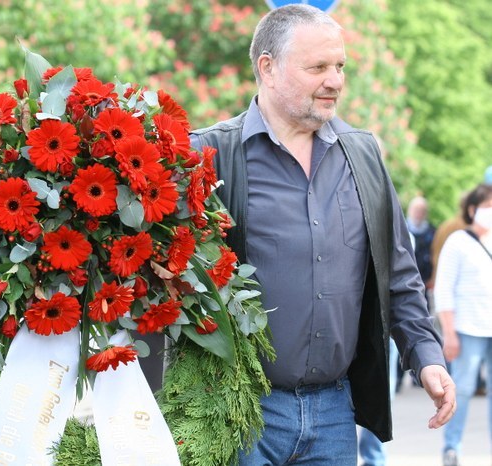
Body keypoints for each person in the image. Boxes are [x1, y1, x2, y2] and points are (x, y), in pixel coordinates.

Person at [189, 5, 455, 465]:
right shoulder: (210, 154)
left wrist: (426, 357)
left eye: (340, 66)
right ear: (267, 69)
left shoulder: (364, 156)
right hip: (239, 409)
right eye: (318, 67)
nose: (335, 80)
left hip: (335, 411)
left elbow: (399, 276)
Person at [434, 183, 492, 466]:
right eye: (489, 207)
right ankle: (452, 446)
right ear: (473, 209)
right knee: (463, 389)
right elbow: (443, 289)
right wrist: (449, 332)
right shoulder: (457, 241)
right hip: (467, 329)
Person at [407, 195, 437, 295]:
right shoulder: (400, 231)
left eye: (422, 210)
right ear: (409, 210)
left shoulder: (432, 233)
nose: (418, 213)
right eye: (416, 210)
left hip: (425, 282)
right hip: (406, 280)